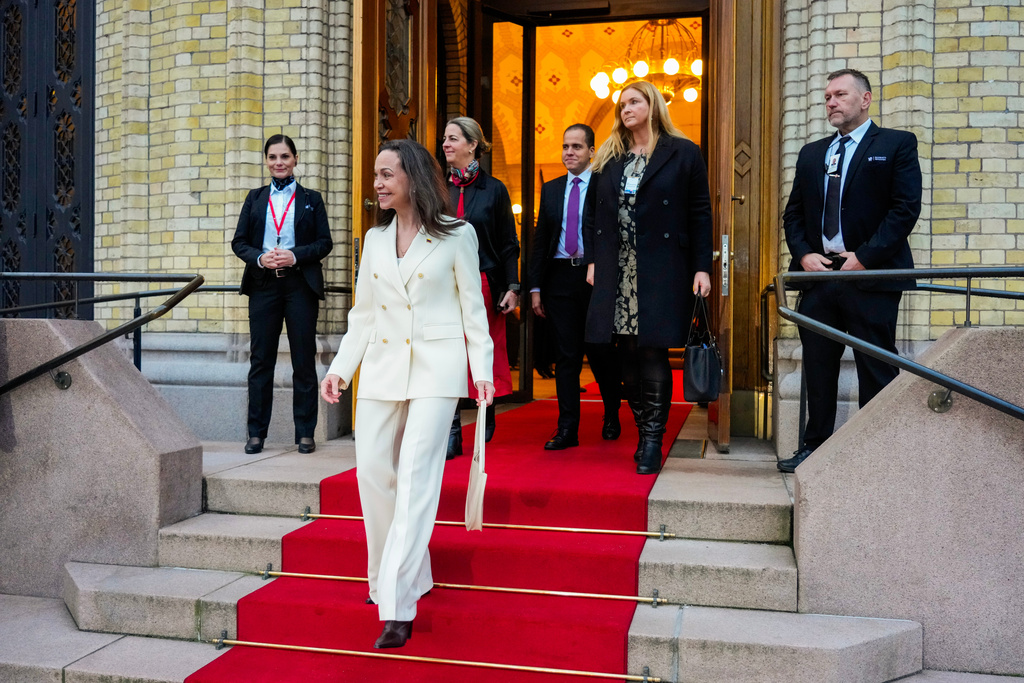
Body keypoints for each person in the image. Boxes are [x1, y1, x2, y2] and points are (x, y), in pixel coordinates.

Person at [320, 139, 494, 649]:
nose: (377, 183)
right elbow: (364, 316)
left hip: (437, 373)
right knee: (374, 474)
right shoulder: (373, 241)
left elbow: (473, 310)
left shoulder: (458, 235)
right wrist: (340, 370)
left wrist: (480, 370)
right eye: (376, 174)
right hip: (380, 370)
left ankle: (397, 604)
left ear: (412, 177)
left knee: (418, 477)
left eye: (386, 174)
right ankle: (402, 576)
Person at [778, 68, 922, 473]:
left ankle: (878, 454)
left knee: (876, 366)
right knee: (818, 368)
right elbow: (793, 215)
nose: (831, 102)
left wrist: (867, 256)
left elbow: (904, 209)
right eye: (827, 97)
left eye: (840, 94)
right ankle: (815, 449)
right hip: (819, 278)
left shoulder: (896, 144)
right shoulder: (812, 153)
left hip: (870, 277)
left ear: (866, 99)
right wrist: (805, 255)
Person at [584, 80, 713, 475]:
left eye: (634, 102)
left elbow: (699, 212)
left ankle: (654, 440)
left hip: (661, 267)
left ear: (653, 106)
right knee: (624, 355)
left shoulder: (683, 152)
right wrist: (593, 260)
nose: (625, 109)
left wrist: (702, 266)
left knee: (653, 351)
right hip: (616, 268)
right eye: (621, 104)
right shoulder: (610, 157)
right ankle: (643, 430)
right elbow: (592, 215)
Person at [231, 134, 333, 455]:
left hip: (299, 285)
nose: (279, 162)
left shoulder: (311, 199)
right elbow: (240, 242)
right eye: (273, 157)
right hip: (263, 286)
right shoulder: (255, 198)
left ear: (296, 159)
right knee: (261, 361)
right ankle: (256, 433)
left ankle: (305, 432)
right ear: (266, 161)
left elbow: (324, 243)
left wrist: (295, 255)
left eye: (285, 157)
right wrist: (260, 258)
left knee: (303, 360)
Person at [529, 123, 621, 450]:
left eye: (577, 147)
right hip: (558, 280)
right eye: (566, 146)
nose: (569, 152)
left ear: (591, 151)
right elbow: (541, 241)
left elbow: (611, 234)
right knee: (566, 357)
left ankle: (611, 414)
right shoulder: (552, 189)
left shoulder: (604, 185)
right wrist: (535, 287)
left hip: (593, 278)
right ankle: (567, 429)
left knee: (599, 353)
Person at [441, 116, 520, 457]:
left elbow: (507, 243)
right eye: (445, 138)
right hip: (443, 285)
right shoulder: (436, 186)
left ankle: (485, 411)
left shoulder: (495, 189)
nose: (446, 144)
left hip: (485, 281)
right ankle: (453, 428)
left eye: (453, 138)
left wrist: (513, 285)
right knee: (448, 354)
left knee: (480, 352)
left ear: (472, 145)